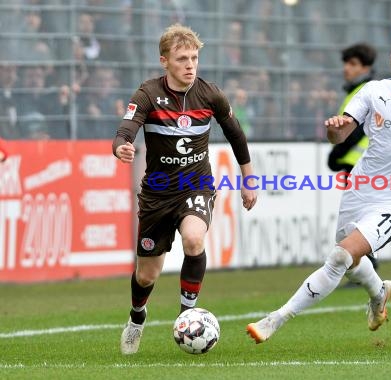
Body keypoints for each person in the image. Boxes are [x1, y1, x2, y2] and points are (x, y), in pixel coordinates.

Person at [246, 20, 391, 344]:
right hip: (360, 190)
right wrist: (334, 128)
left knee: (341, 256)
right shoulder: (373, 91)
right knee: (351, 260)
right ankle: (378, 294)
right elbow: (341, 134)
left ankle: (277, 318)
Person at [113, 23, 257, 355]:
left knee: (194, 238)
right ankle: (137, 319)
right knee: (147, 275)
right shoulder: (148, 94)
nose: (190, 65)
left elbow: (236, 135)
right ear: (165, 61)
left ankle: (186, 315)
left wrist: (248, 179)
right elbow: (126, 129)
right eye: (181, 59)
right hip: (158, 193)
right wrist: (121, 146)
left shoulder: (210, 94)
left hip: (196, 185)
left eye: (194, 58)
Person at [328, 42, 379, 271]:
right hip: (357, 164)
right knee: (359, 218)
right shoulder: (355, 91)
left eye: (353, 64)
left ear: (366, 67)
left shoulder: (365, 91)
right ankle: (364, 264)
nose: (347, 68)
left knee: (358, 219)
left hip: (360, 164)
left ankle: (366, 265)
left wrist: (336, 154)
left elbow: (355, 130)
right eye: (346, 63)